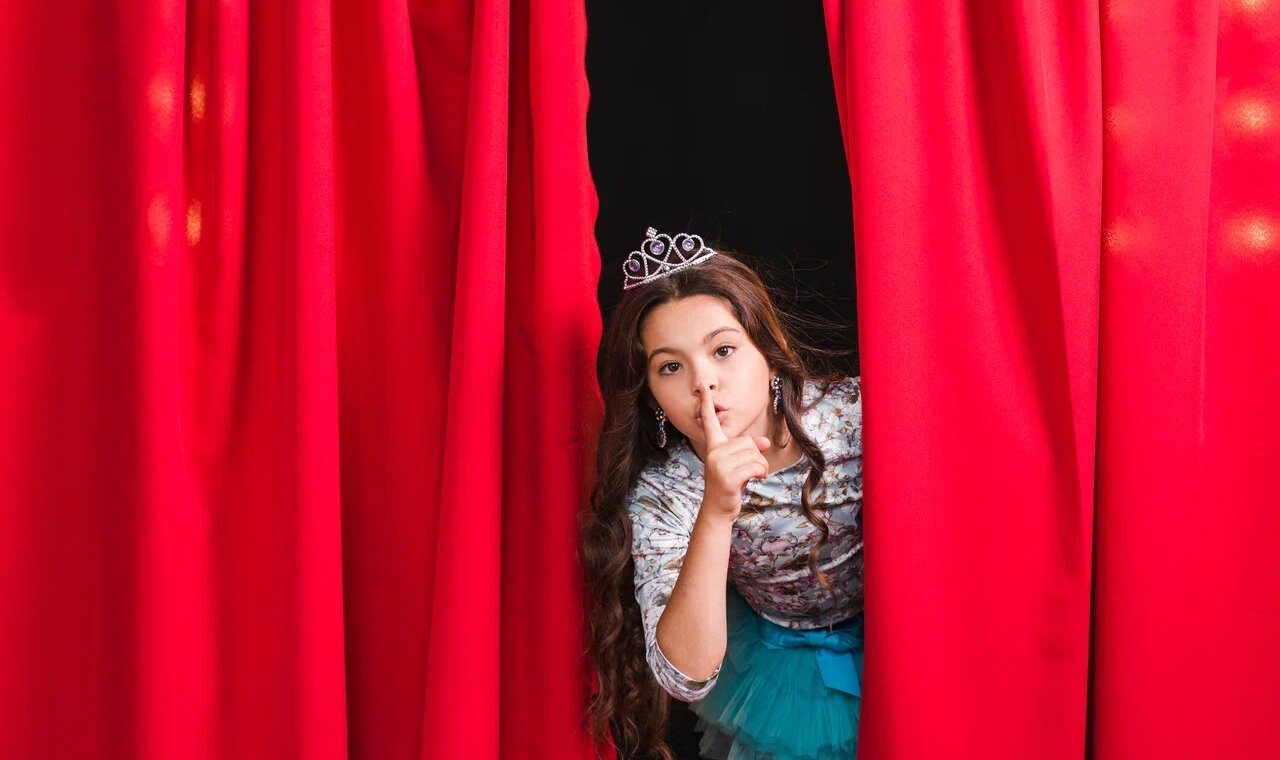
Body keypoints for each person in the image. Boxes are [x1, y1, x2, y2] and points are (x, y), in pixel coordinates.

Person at [581, 227, 865, 760]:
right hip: (779, 666)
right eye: (671, 366)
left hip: (896, 637)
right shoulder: (666, 488)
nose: (702, 383)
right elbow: (683, 677)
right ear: (652, 396)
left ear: (770, 353)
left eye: (723, 350)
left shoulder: (854, 417)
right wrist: (715, 511)